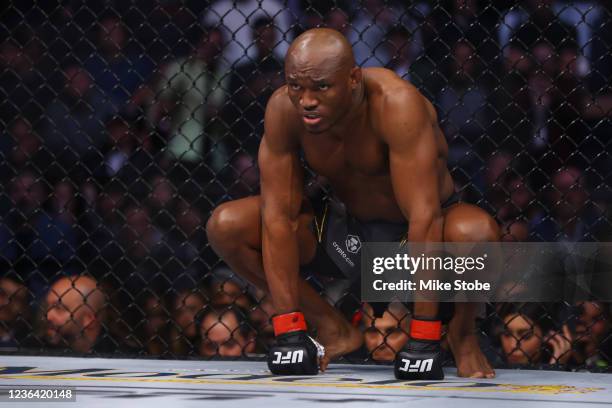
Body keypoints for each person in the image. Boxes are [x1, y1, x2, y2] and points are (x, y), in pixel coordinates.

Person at [207, 28, 499, 378]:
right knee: (226, 226)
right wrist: (289, 330)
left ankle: (463, 336)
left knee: (476, 232)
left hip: (415, 239)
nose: (306, 100)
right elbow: (278, 217)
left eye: (321, 87)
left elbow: (425, 217)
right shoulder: (284, 110)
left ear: (353, 78)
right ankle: (332, 328)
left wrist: (423, 337)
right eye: (296, 85)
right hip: (344, 232)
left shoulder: (396, 105)